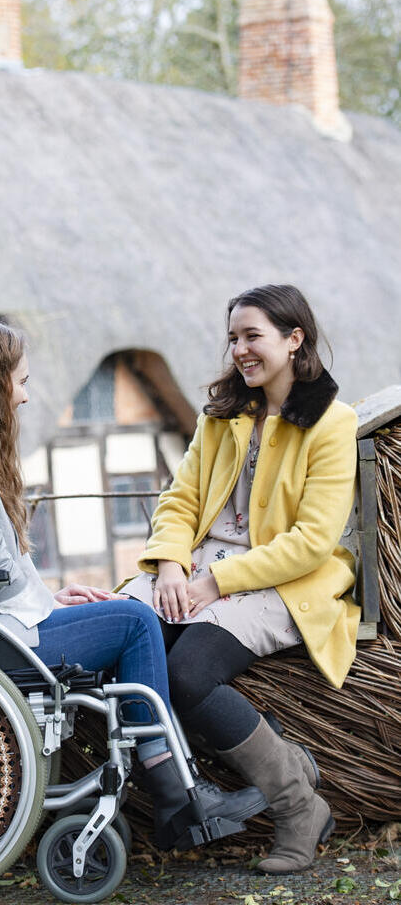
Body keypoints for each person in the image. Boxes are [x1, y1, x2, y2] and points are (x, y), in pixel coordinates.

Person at [0, 318, 266, 851]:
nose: (24, 396)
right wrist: (41, 600)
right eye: (20, 381)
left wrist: (51, 598)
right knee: (134, 620)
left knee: (126, 614)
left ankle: (175, 788)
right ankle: (175, 789)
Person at [135, 284, 360, 873]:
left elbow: (312, 542)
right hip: (199, 565)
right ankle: (176, 799)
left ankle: (297, 806)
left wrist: (215, 583)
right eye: (233, 337)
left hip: (284, 583)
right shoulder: (223, 416)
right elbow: (179, 500)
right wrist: (170, 566)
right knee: (127, 636)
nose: (239, 349)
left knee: (189, 674)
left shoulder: (332, 424)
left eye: (252, 336)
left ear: (294, 339)